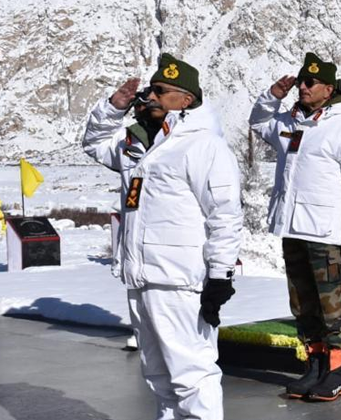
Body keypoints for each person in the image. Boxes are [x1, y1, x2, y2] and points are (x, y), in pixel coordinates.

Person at [82, 53, 242, 420]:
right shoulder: (136, 145)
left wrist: (219, 276)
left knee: (192, 376)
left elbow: (225, 215)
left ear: (186, 100)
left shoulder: (203, 145)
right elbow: (93, 144)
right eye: (150, 89)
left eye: (161, 90)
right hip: (142, 277)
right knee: (157, 375)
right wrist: (112, 108)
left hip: (179, 281)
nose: (150, 96)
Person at [249, 52, 341, 402]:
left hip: (327, 233)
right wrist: (272, 96)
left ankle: (335, 371)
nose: (302, 87)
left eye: (310, 83)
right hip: (293, 228)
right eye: (301, 81)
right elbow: (258, 124)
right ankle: (314, 366)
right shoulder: (291, 123)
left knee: (332, 308)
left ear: (328, 89)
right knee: (303, 305)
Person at [84, 85, 159, 351]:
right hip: (136, 245)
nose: (142, 107)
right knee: (139, 304)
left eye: (149, 102)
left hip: (173, 250)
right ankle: (143, 337)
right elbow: (94, 143)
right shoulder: (130, 141)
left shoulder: (187, 140)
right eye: (138, 104)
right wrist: (113, 109)